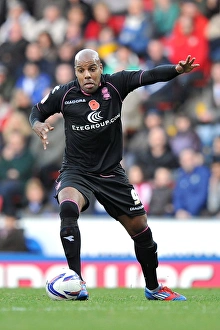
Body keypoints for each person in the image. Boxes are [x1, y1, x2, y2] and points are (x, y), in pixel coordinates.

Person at [29, 48, 199, 301]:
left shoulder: (116, 84)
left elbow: (149, 75)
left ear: (100, 68)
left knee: (142, 231)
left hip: (111, 174)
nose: (86, 75)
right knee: (67, 206)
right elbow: (37, 111)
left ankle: (153, 288)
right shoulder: (63, 94)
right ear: (75, 72)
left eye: (91, 69)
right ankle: (76, 282)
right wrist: (38, 125)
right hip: (77, 171)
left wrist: (176, 69)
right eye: (80, 70)